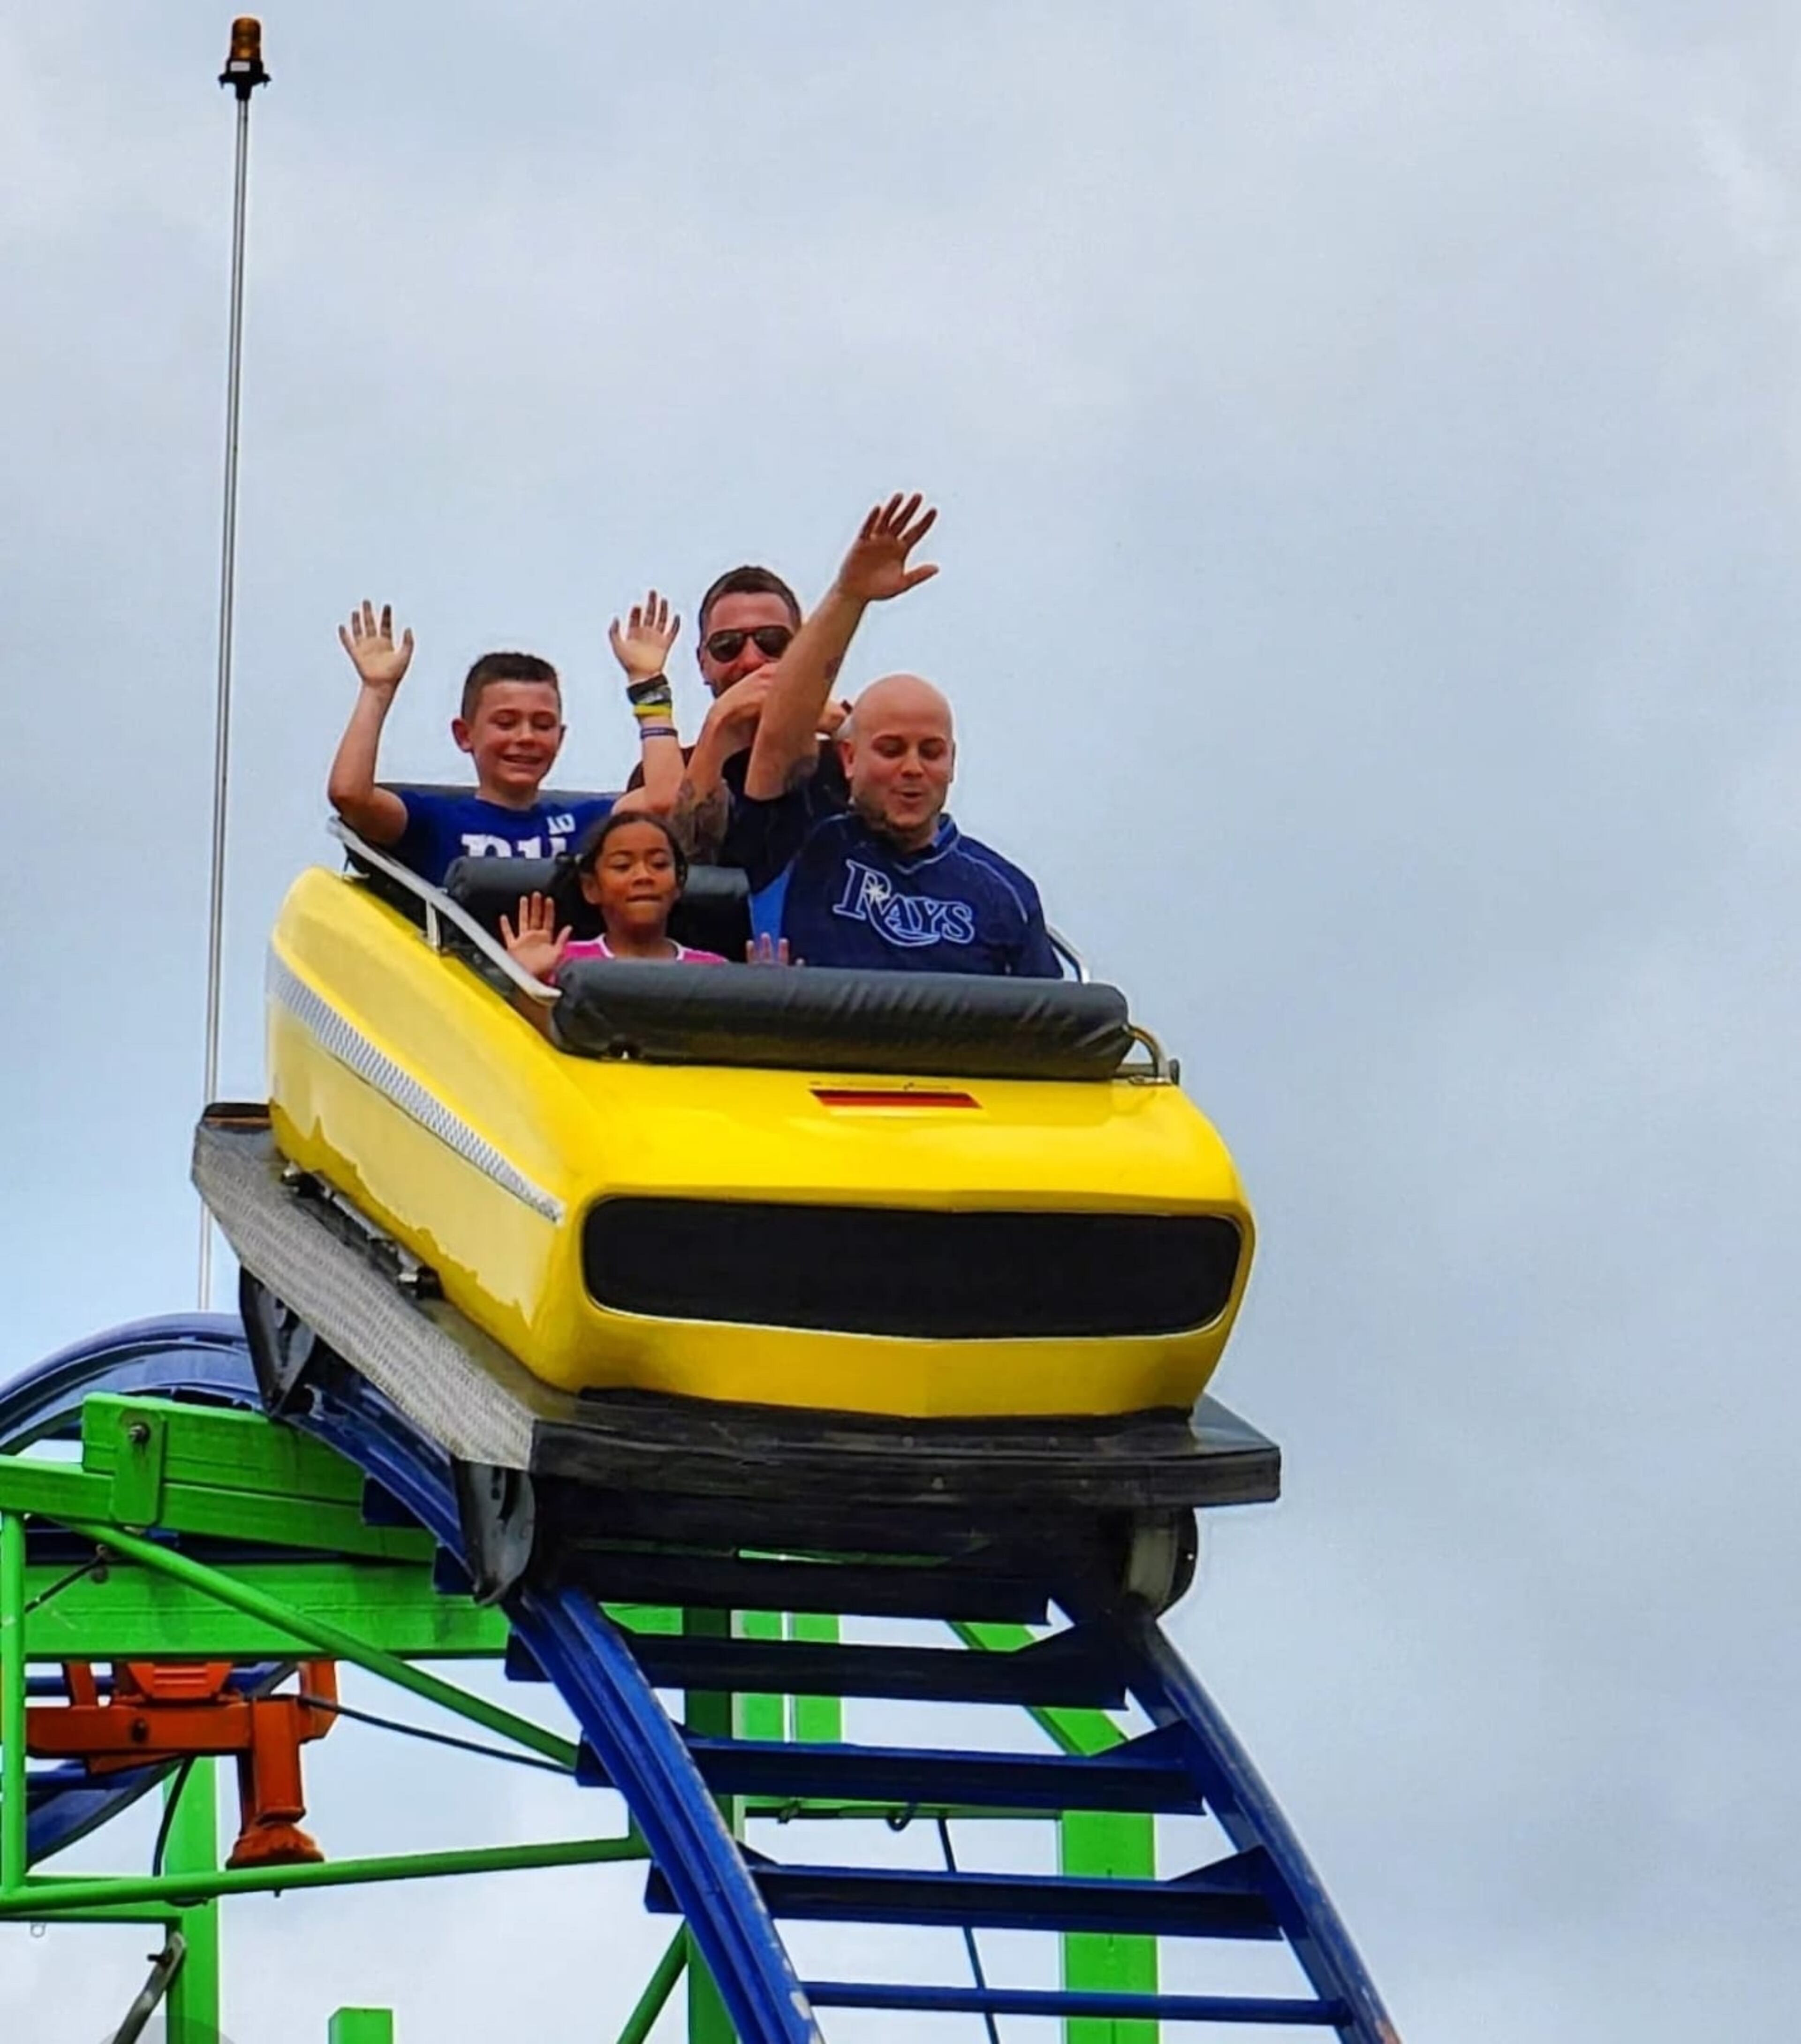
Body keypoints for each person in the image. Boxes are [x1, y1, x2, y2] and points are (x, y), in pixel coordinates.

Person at [728, 495, 1063, 977]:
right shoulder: (797, 843)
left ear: (953, 762)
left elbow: (1050, 1026)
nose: (912, 768)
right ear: (848, 758)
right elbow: (782, 730)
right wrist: (850, 596)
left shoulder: (1004, 890)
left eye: (931, 752)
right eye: (890, 749)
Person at [327, 596, 684, 886]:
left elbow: (666, 799)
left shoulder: (585, 825)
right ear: (464, 735)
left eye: (543, 725)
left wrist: (648, 682)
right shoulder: (433, 819)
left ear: (560, 739)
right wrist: (377, 690)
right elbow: (350, 795)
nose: (526, 737)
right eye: (506, 723)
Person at [499, 814, 727, 1037]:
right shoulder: (561, 964)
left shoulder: (716, 973)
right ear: (591, 888)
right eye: (622, 866)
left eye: (659, 864)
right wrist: (525, 979)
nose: (643, 876)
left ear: (678, 883)